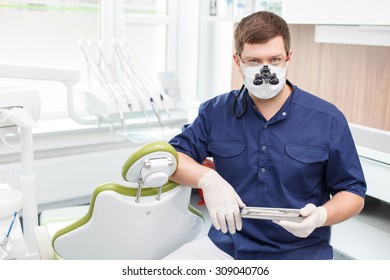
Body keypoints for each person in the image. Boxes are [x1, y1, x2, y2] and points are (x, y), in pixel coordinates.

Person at [164, 11, 366, 260]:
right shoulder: (216, 112)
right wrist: (208, 179)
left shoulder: (327, 119)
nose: (265, 70)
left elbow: (353, 193)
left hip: (302, 255)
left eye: (275, 59)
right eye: (254, 61)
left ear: (288, 58)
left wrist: (321, 216)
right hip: (227, 248)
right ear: (238, 61)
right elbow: (172, 159)